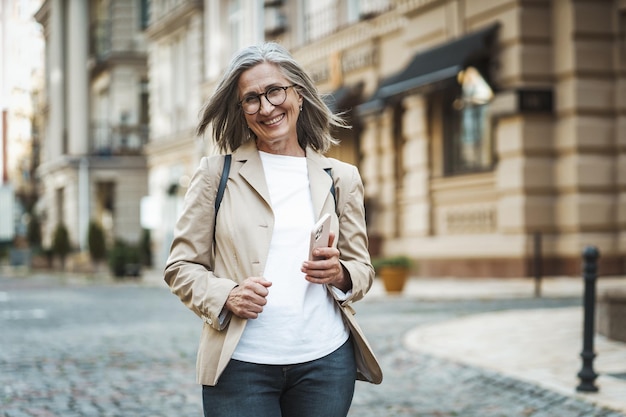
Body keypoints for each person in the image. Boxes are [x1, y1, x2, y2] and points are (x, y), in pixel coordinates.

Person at [164, 42, 375, 417]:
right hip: (241, 365)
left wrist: (340, 274)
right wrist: (226, 294)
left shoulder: (341, 177)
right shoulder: (216, 174)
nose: (266, 107)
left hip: (325, 363)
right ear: (241, 111)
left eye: (275, 91)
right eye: (251, 99)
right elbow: (180, 266)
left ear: (298, 95)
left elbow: (362, 269)